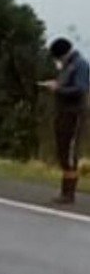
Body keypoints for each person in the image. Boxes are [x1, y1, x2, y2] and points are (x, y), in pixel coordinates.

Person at [44, 38, 89, 205]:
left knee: (70, 153)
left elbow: (81, 88)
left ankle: (68, 193)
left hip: (74, 113)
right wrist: (56, 84)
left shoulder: (80, 65)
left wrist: (58, 89)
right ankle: (65, 191)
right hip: (63, 112)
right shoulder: (68, 65)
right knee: (62, 151)